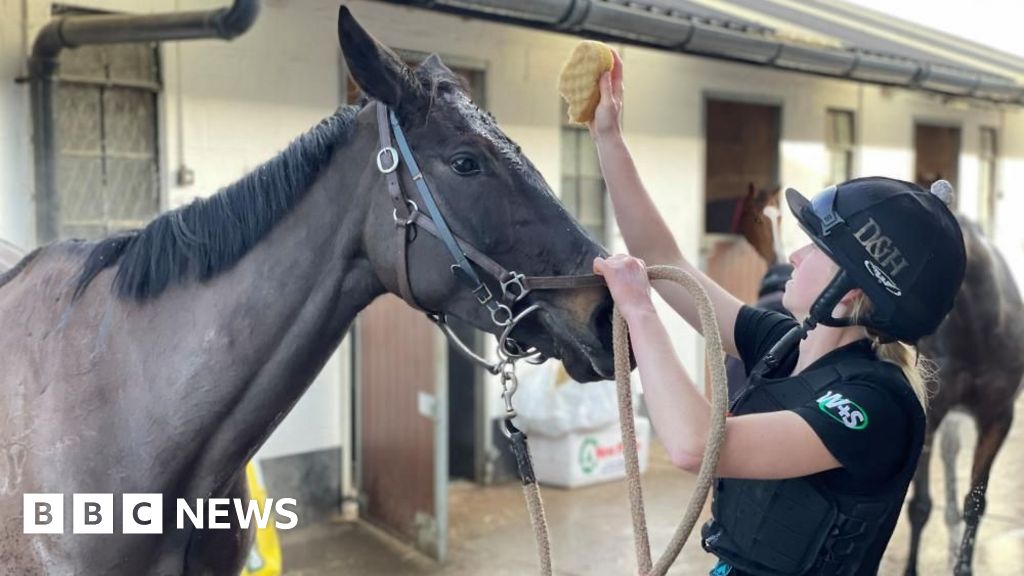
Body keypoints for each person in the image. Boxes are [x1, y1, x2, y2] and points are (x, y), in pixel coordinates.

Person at [588, 51, 966, 575]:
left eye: (816, 250)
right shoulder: (784, 345)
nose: (794, 256)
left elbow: (696, 446)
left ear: (850, 293)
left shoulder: (876, 404)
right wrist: (608, 137)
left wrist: (639, 311)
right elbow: (664, 259)